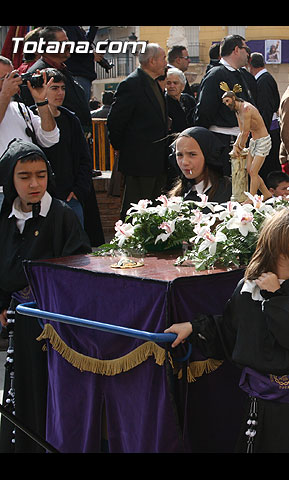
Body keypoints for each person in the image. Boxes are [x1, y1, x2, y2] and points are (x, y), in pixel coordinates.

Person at [165, 207, 289, 452]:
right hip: (263, 411)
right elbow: (231, 331)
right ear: (283, 249)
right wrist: (193, 327)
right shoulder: (248, 288)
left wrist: (276, 298)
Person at [0, 138, 91, 453]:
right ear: (10, 179)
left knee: (49, 391)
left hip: (53, 326)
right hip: (18, 322)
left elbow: (77, 268)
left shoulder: (62, 216)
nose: (34, 183)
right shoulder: (4, 217)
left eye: (40, 175)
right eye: (24, 177)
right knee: (21, 390)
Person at [107, 43, 170, 220]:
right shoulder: (132, 84)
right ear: (152, 61)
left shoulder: (153, 83)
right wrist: (123, 148)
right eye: (163, 58)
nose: (166, 62)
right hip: (139, 162)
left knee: (155, 212)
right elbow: (115, 122)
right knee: (135, 213)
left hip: (157, 161)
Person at [38, 68, 92, 228]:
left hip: (70, 198)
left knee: (77, 249)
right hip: (41, 198)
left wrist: (78, 191)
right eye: (54, 88)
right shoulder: (31, 117)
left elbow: (85, 158)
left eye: (63, 88)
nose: (60, 93)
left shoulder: (70, 119)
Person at [194, 35, 253, 177]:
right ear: (236, 50)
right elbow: (205, 111)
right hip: (223, 143)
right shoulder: (215, 75)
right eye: (246, 49)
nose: (248, 54)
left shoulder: (242, 75)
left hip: (242, 141)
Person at [24, 26, 92, 133]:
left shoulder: (62, 69)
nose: (68, 45)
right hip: (56, 139)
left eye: (68, 41)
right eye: (63, 42)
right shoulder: (38, 73)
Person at [0, 56, 59, 153]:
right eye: (6, 78)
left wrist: (42, 102)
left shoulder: (19, 108)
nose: (12, 81)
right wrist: (5, 94)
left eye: (14, 76)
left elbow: (50, 138)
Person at [222, 90, 271, 198]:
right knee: (249, 169)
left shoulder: (246, 109)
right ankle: (266, 194)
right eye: (225, 102)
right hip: (254, 141)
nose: (227, 104)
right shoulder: (237, 111)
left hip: (263, 140)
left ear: (233, 98)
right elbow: (241, 132)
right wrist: (236, 145)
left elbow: (246, 132)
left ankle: (251, 198)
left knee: (253, 171)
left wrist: (239, 146)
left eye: (227, 101)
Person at [167, 126, 231, 205]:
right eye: (179, 155)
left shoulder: (227, 192)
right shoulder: (178, 196)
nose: (184, 162)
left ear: (208, 155)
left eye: (192, 154)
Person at [248, 52, 281, 178]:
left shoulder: (264, 81)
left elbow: (265, 110)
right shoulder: (265, 79)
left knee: (267, 169)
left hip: (268, 132)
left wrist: (261, 135)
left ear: (250, 64)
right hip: (269, 130)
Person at [165, 67, 196, 134]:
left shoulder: (189, 100)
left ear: (183, 86)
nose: (172, 86)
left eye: (175, 83)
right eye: (168, 83)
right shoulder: (163, 102)